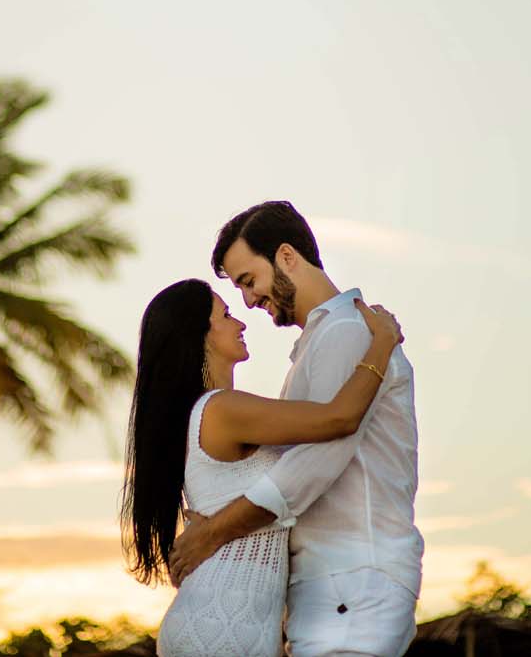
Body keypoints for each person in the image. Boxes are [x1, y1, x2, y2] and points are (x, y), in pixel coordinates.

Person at [169, 200, 424, 657]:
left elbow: (316, 460)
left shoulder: (346, 332)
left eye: (249, 280)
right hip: (333, 582)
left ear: (286, 257)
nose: (248, 301)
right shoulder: (320, 342)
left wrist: (214, 532)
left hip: (352, 575)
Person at [120, 276, 403, 657]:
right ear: (199, 334)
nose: (240, 323)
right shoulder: (222, 410)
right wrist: (382, 341)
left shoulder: (208, 413)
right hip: (222, 625)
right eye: (226, 315)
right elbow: (339, 418)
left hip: (227, 621)